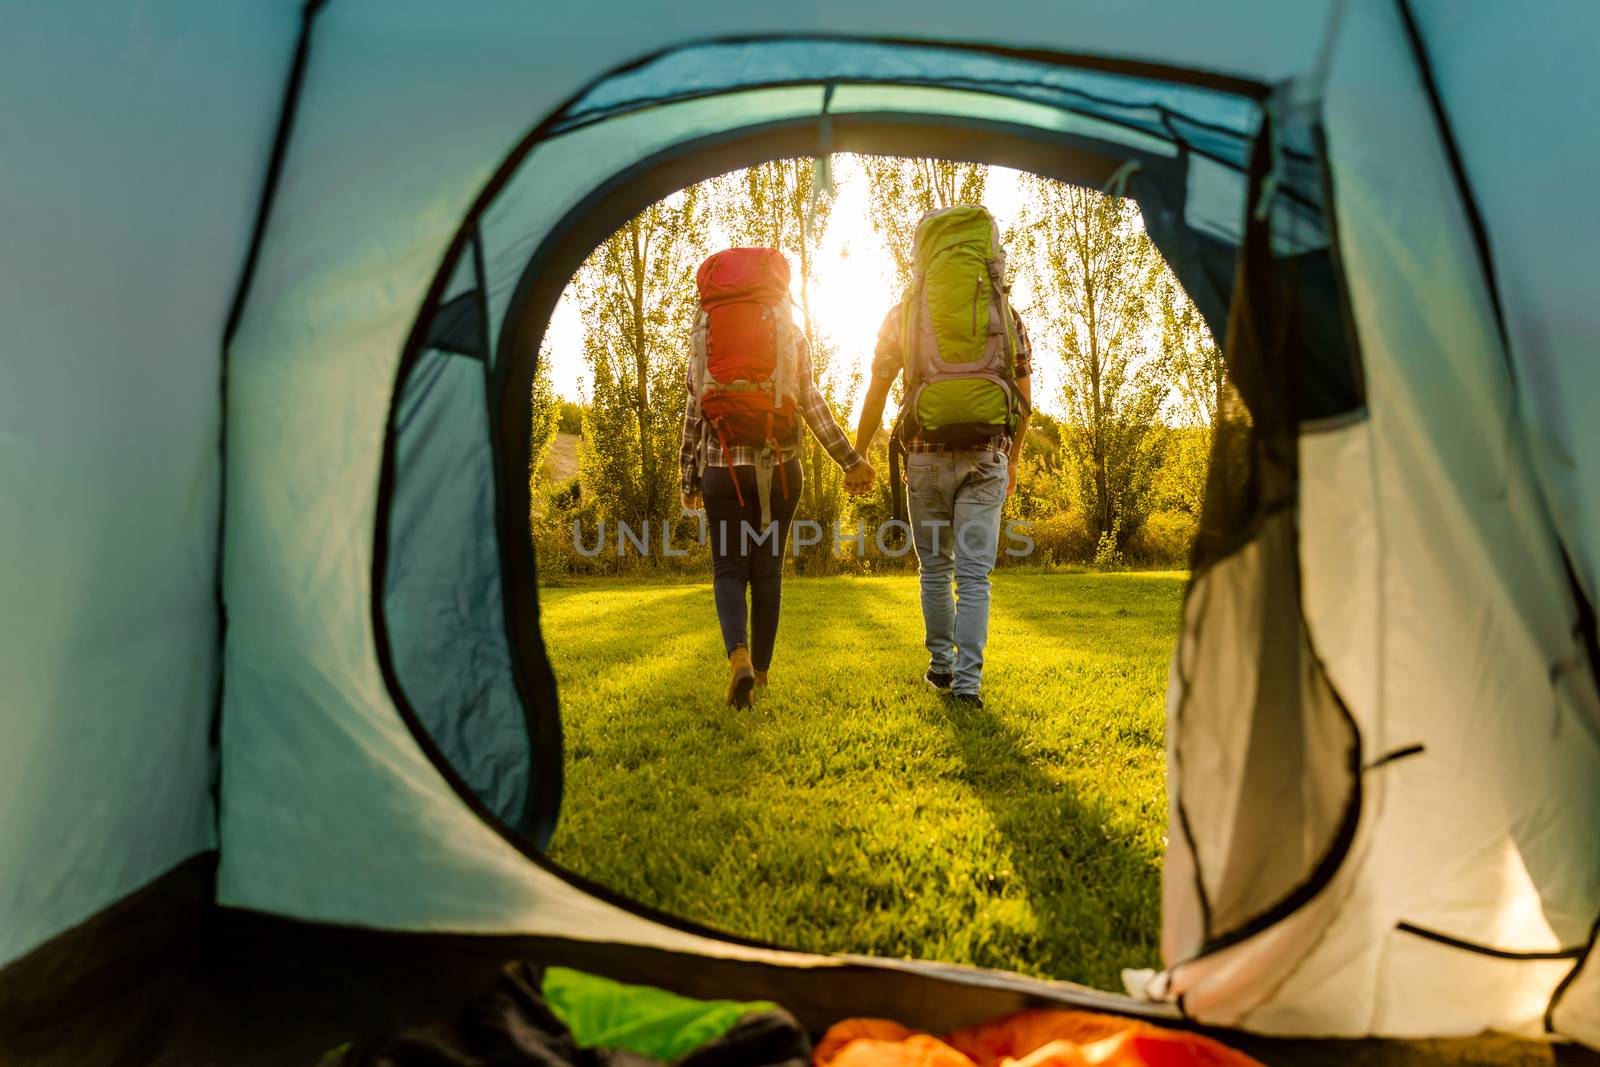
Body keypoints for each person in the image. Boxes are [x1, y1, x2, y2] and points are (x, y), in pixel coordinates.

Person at [853, 206, 1031, 708]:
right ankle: (969, 687)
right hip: (986, 456)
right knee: (974, 575)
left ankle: (941, 668)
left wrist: (860, 452)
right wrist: (1011, 459)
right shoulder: (1004, 311)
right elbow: (1024, 400)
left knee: (935, 569)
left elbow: (877, 390)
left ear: (921, 254)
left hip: (925, 457)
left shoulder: (904, 312)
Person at [681, 248, 874, 708]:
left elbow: (694, 409)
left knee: (728, 570)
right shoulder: (789, 328)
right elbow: (810, 401)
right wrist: (850, 460)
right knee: (767, 573)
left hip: (721, 467)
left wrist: (689, 477)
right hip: (781, 469)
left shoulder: (704, 331)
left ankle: (739, 659)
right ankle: (761, 677)